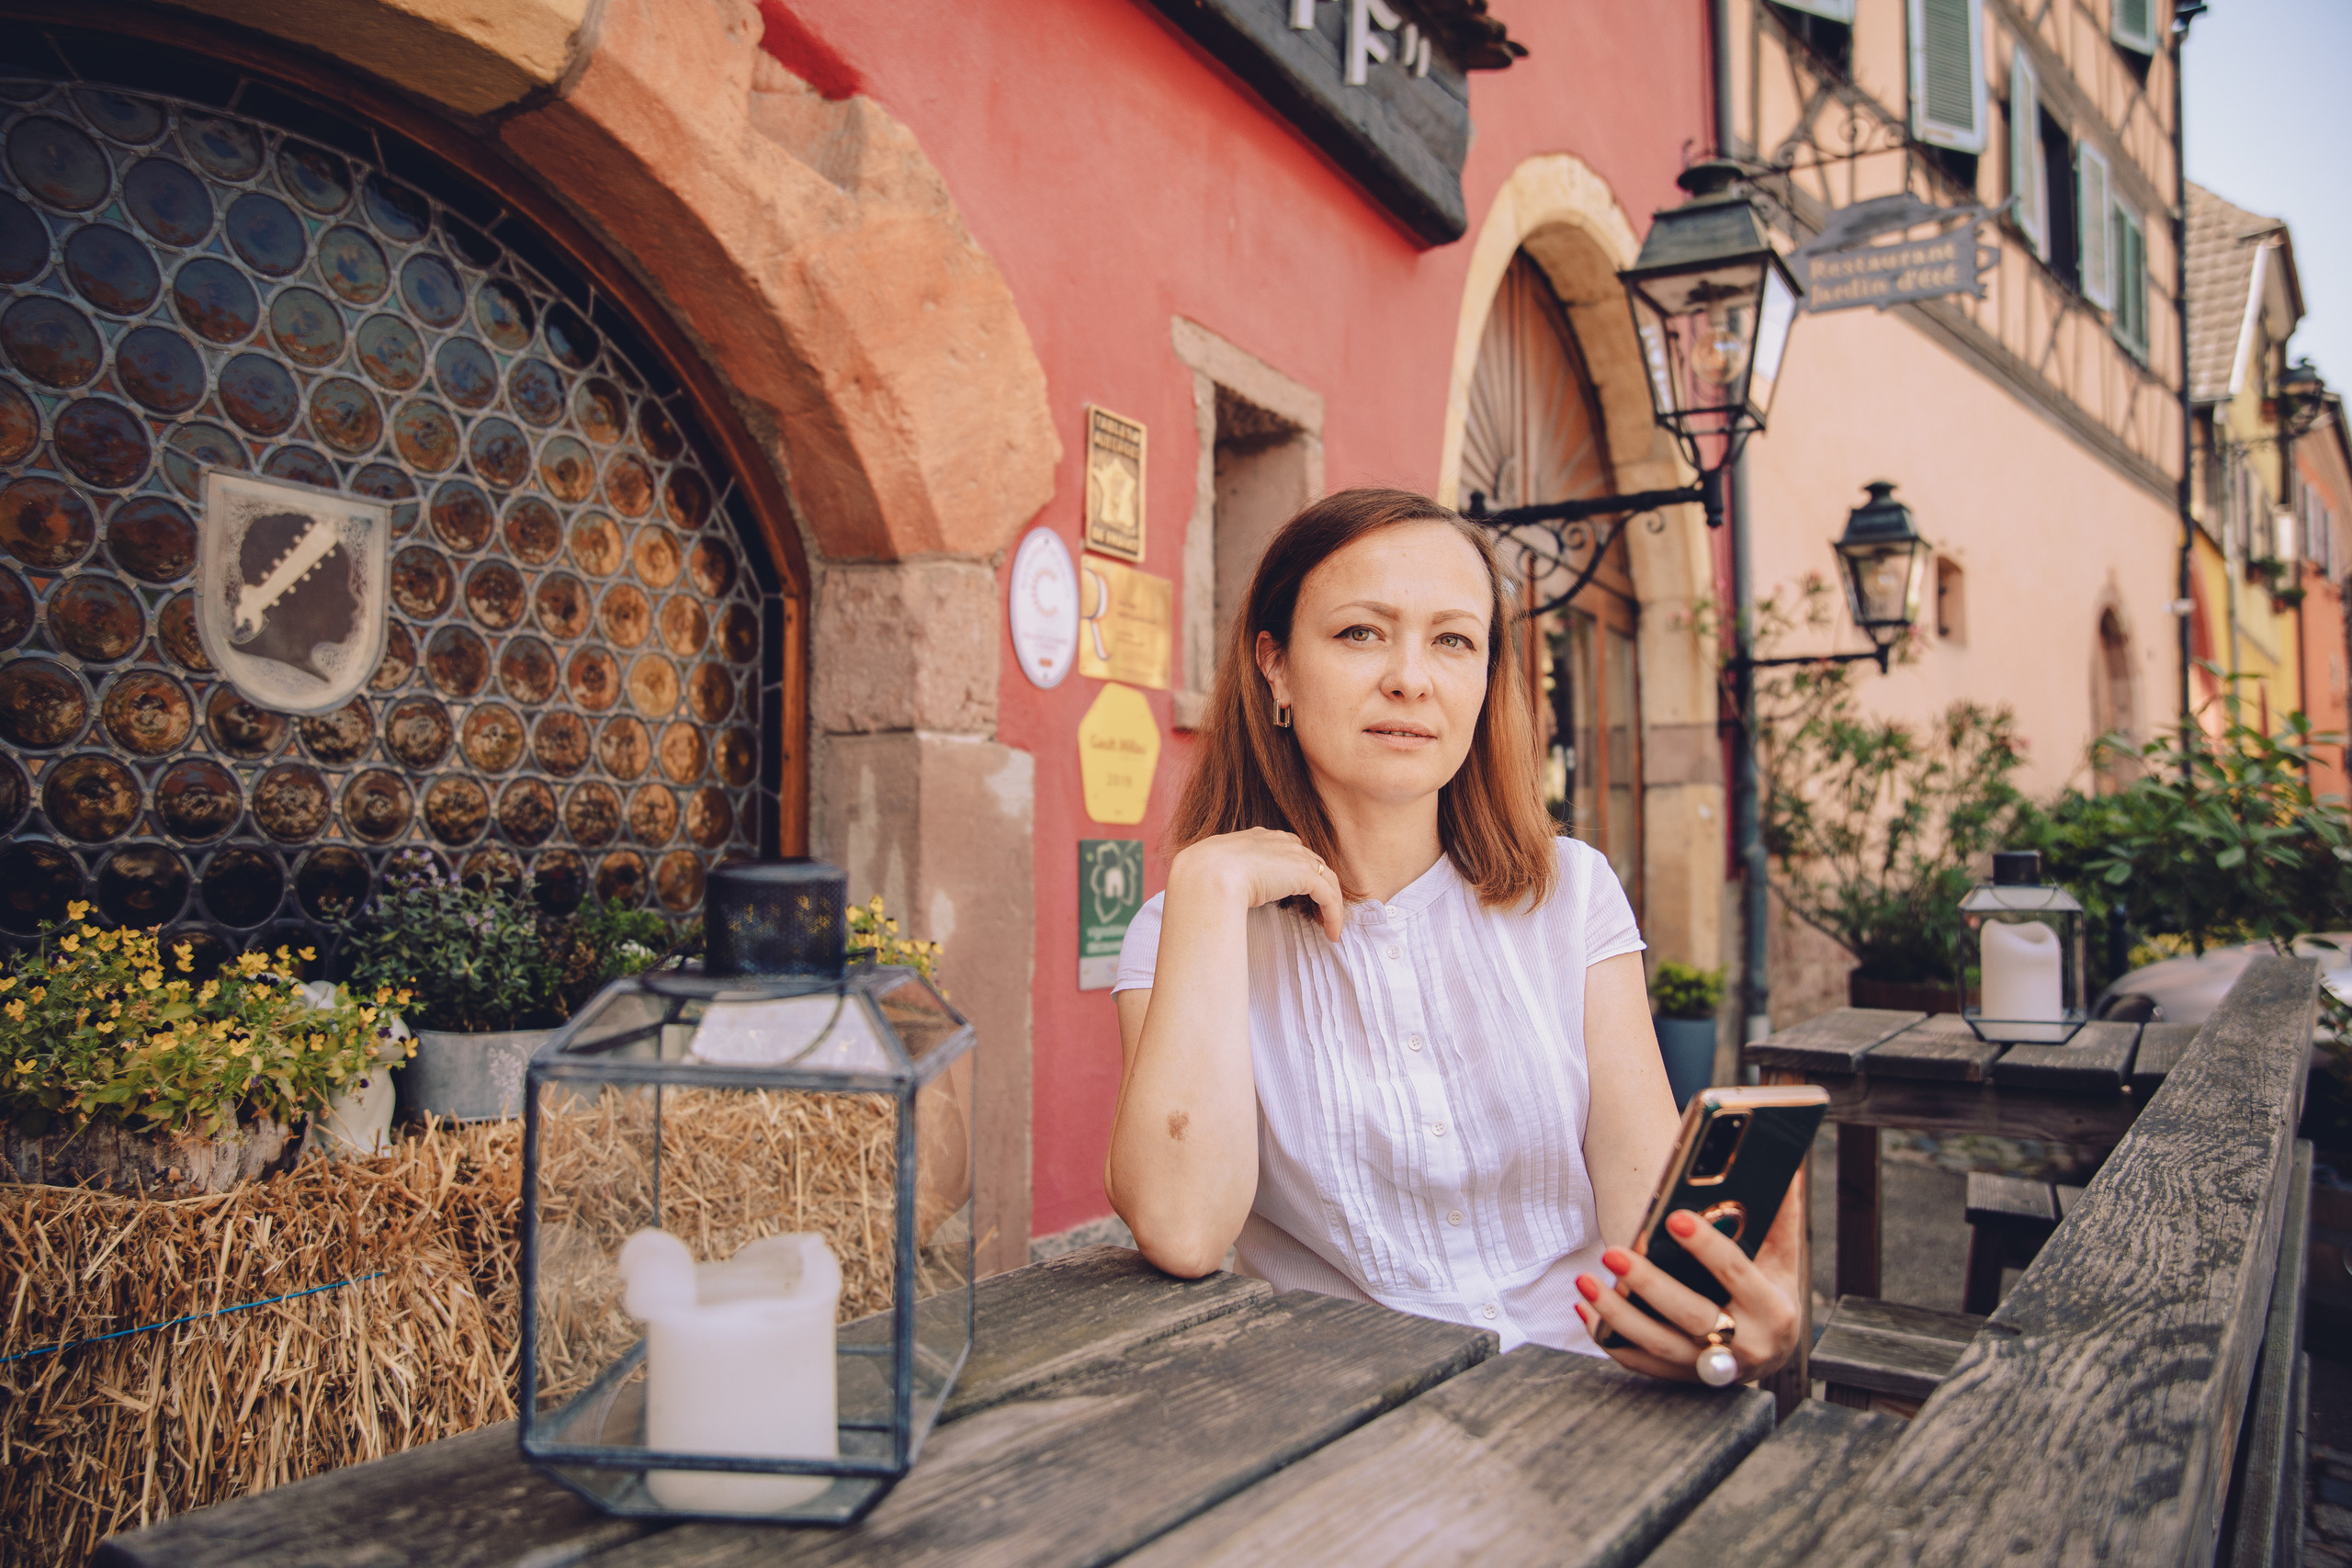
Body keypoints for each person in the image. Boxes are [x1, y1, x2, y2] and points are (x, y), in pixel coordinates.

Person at [1106, 487, 1801, 1384]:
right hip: (1348, 1421)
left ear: (1484, 680)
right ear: (1274, 666)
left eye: (1452, 640)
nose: (1410, 677)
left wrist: (1723, 1324)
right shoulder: (1185, 933)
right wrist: (1205, 887)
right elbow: (1183, 1229)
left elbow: (1645, 1212)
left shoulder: (1572, 894)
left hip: (1590, 1393)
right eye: (1361, 633)